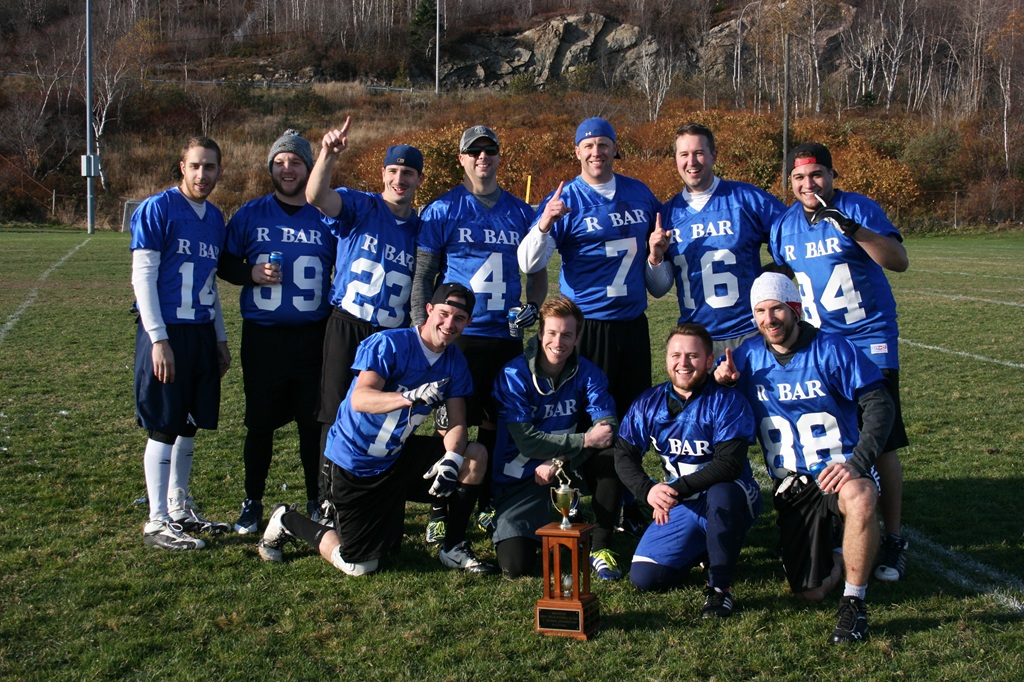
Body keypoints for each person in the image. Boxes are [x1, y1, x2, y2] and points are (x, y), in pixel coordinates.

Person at [257, 283, 497, 576]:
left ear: (468, 322)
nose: (449, 324)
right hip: (355, 462)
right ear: (429, 310)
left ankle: (453, 546)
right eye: (444, 314)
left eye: (459, 318)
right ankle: (287, 520)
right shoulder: (389, 343)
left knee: (474, 455)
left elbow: (457, 422)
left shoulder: (454, 360)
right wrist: (409, 397)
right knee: (358, 565)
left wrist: (452, 458)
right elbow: (361, 399)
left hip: (395, 456)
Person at [715, 272, 894, 644]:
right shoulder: (747, 356)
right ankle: (842, 550)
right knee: (810, 593)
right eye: (760, 311)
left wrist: (857, 463)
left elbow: (880, 403)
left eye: (777, 308)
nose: (769, 319)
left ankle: (854, 603)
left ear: (795, 309)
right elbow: (712, 401)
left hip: (838, 470)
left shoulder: (831, 349)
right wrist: (722, 384)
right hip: (793, 485)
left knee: (860, 496)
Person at [770, 142, 910, 582]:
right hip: (822, 348)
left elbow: (899, 261)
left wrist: (854, 230)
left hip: (868, 341)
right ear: (789, 183)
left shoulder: (857, 208)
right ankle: (837, 522)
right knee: (833, 438)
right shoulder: (784, 226)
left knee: (882, 441)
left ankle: (894, 537)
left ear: (832, 175)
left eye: (816, 175)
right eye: (798, 178)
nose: (808, 184)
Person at [517, 117, 660, 536]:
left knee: (632, 419)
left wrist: (657, 255)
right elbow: (528, 262)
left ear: (615, 149)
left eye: (603, 144)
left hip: (632, 324)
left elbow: (658, 272)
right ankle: (579, 498)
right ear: (577, 151)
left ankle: (627, 499)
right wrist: (546, 222)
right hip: (586, 328)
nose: (596, 152)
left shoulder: (640, 193)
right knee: (585, 420)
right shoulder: (566, 197)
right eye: (588, 145)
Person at [412, 125, 547, 543]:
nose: (482, 157)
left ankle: (485, 497)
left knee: (495, 421)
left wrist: (534, 306)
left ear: (499, 157)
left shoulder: (520, 211)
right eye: (474, 151)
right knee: (450, 422)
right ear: (462, 159)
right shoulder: (442, 209)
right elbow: (424, 275)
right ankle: (439, 506)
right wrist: (422, 331)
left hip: (505, 336)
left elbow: (538, 272)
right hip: (459, 335)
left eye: (490, 150)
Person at [217, 130, 337, 534]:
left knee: (312, 424)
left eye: (296, 162)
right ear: (271, 167)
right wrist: (250, 273)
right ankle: (252, 500)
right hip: (263, 337)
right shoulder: (250, 214)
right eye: (280, 162)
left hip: (313, 337)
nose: (288, 169)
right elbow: (225, 264)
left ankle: (316, 498)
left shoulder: (325, 215)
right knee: (259, 424)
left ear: (308, 168)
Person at [305, 117, 424, 514]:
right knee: (333, 411)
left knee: (381, 413)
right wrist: (327, 153)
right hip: (349, 322)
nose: (399, 179)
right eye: (393, 171)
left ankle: (372, 494)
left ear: (419, 180)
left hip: (389, 336)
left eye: (408, 173)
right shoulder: (361, 205)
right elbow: (316, 196)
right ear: (383, 174)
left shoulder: (421, 229)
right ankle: (327, 499)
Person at [613, 323, 761, 618]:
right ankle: (704, 548)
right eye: (676, 355)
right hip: (683, 502)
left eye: (693, 356)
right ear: (666, 358)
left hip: (731, 495)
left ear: (709, 361)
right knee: (646, 577)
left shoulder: (726, 400)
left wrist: (674, 490)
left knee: (721, 494)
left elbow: (728, 464)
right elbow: (623, 454)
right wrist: (648, 490)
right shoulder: (649, 402)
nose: (683, 363)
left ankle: (720, 588)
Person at [130, 136, 231, 551]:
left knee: (189, 422)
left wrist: (220, 337)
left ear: (218, 170)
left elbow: (210, 284)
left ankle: (177, 507)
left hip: (201, 331)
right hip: (168, 329)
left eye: (210, 167)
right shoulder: (158, 208)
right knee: (165, 423)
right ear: (182, 167)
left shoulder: (216, 218)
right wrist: (158, 338)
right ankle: (156, 520)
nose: (202, 174)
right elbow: (142, 278)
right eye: (195, 166)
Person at [490, 297, 622, 579]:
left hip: (565, 468)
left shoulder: (588, 372)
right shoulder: (514, 374)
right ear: (540, 333)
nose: (558, 342)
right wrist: (584, 440)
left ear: (577, 338)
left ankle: (599, 545)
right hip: (521, 478)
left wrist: (559, 459)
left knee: (611, 457)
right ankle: (509, 517)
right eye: (551, 333)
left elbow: (607, 428)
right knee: (515, 566)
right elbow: (527, 441)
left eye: (567, 335)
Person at [646, 123, 786, 355]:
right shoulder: (667, 214)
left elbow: (793, 240)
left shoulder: (746, 199)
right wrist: (655, 257)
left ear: (714, 155)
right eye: (684, 154)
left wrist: (771, 278)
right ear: (676, 159)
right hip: (696, 340)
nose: (691, 162)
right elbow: (659, 290)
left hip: (749, 333)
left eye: (699, 153)